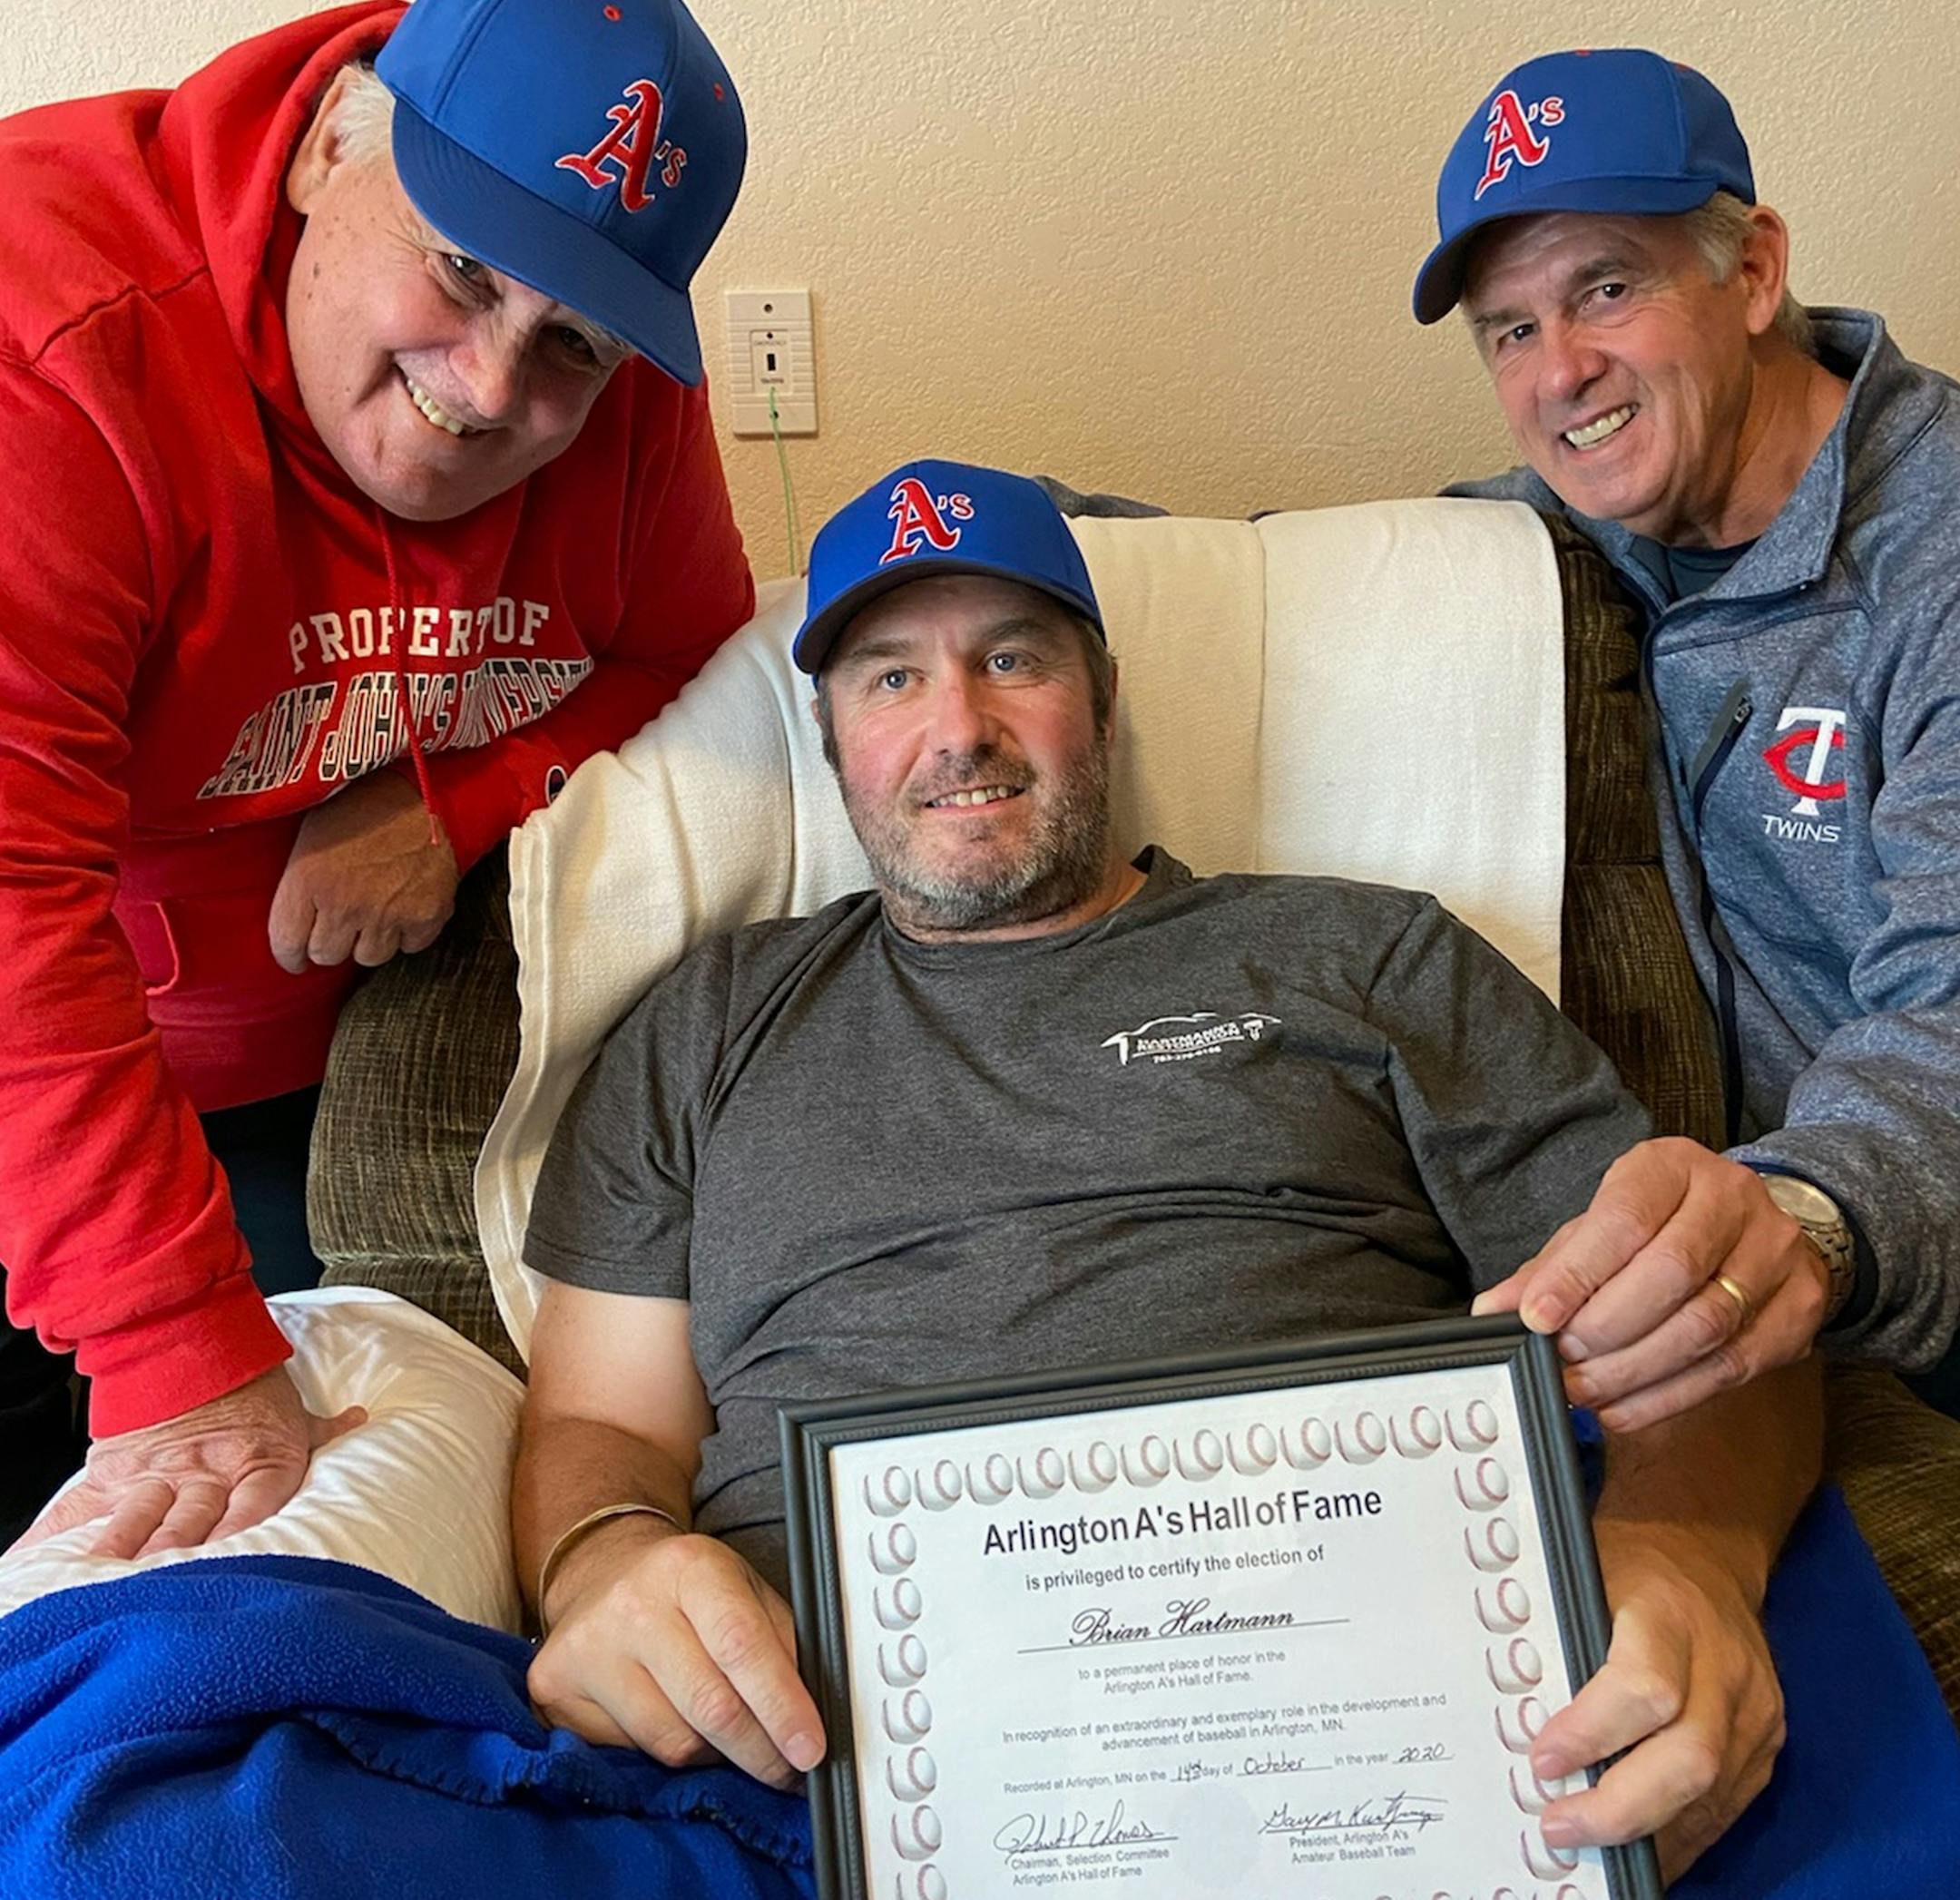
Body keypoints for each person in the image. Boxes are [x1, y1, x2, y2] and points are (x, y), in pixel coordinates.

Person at [513, 460, 1822, 1882]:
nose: (958, 728)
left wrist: (1690, 1551)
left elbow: (1702, 1307)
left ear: (1106, 699)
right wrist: (605, 1559)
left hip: (1369, 1718)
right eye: (890, 680)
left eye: (1013, 659)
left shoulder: (1368, 956)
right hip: (825, 1752)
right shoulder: (704, 1024)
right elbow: (600, 1417)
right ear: (830, 744)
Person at [0, 0, 755, 1555]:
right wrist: (171, 1347)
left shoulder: (627, 395)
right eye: (463, 267)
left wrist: (454, 803)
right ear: (334, 137)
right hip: (52, 1064)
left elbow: (685, 657)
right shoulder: (51, 338)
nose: (489, 386)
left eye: (570, 343)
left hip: (319, 1080)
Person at [1414, 48, 1960, 1422]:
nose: (1564, 371)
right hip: (1746, 1291)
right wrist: (997, 550)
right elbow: (1289, 568)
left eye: (1607, 286)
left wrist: (1812, 1211)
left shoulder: (1938, 555)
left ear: (1756, 269)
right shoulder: (1579, 523)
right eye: (1512, 329)